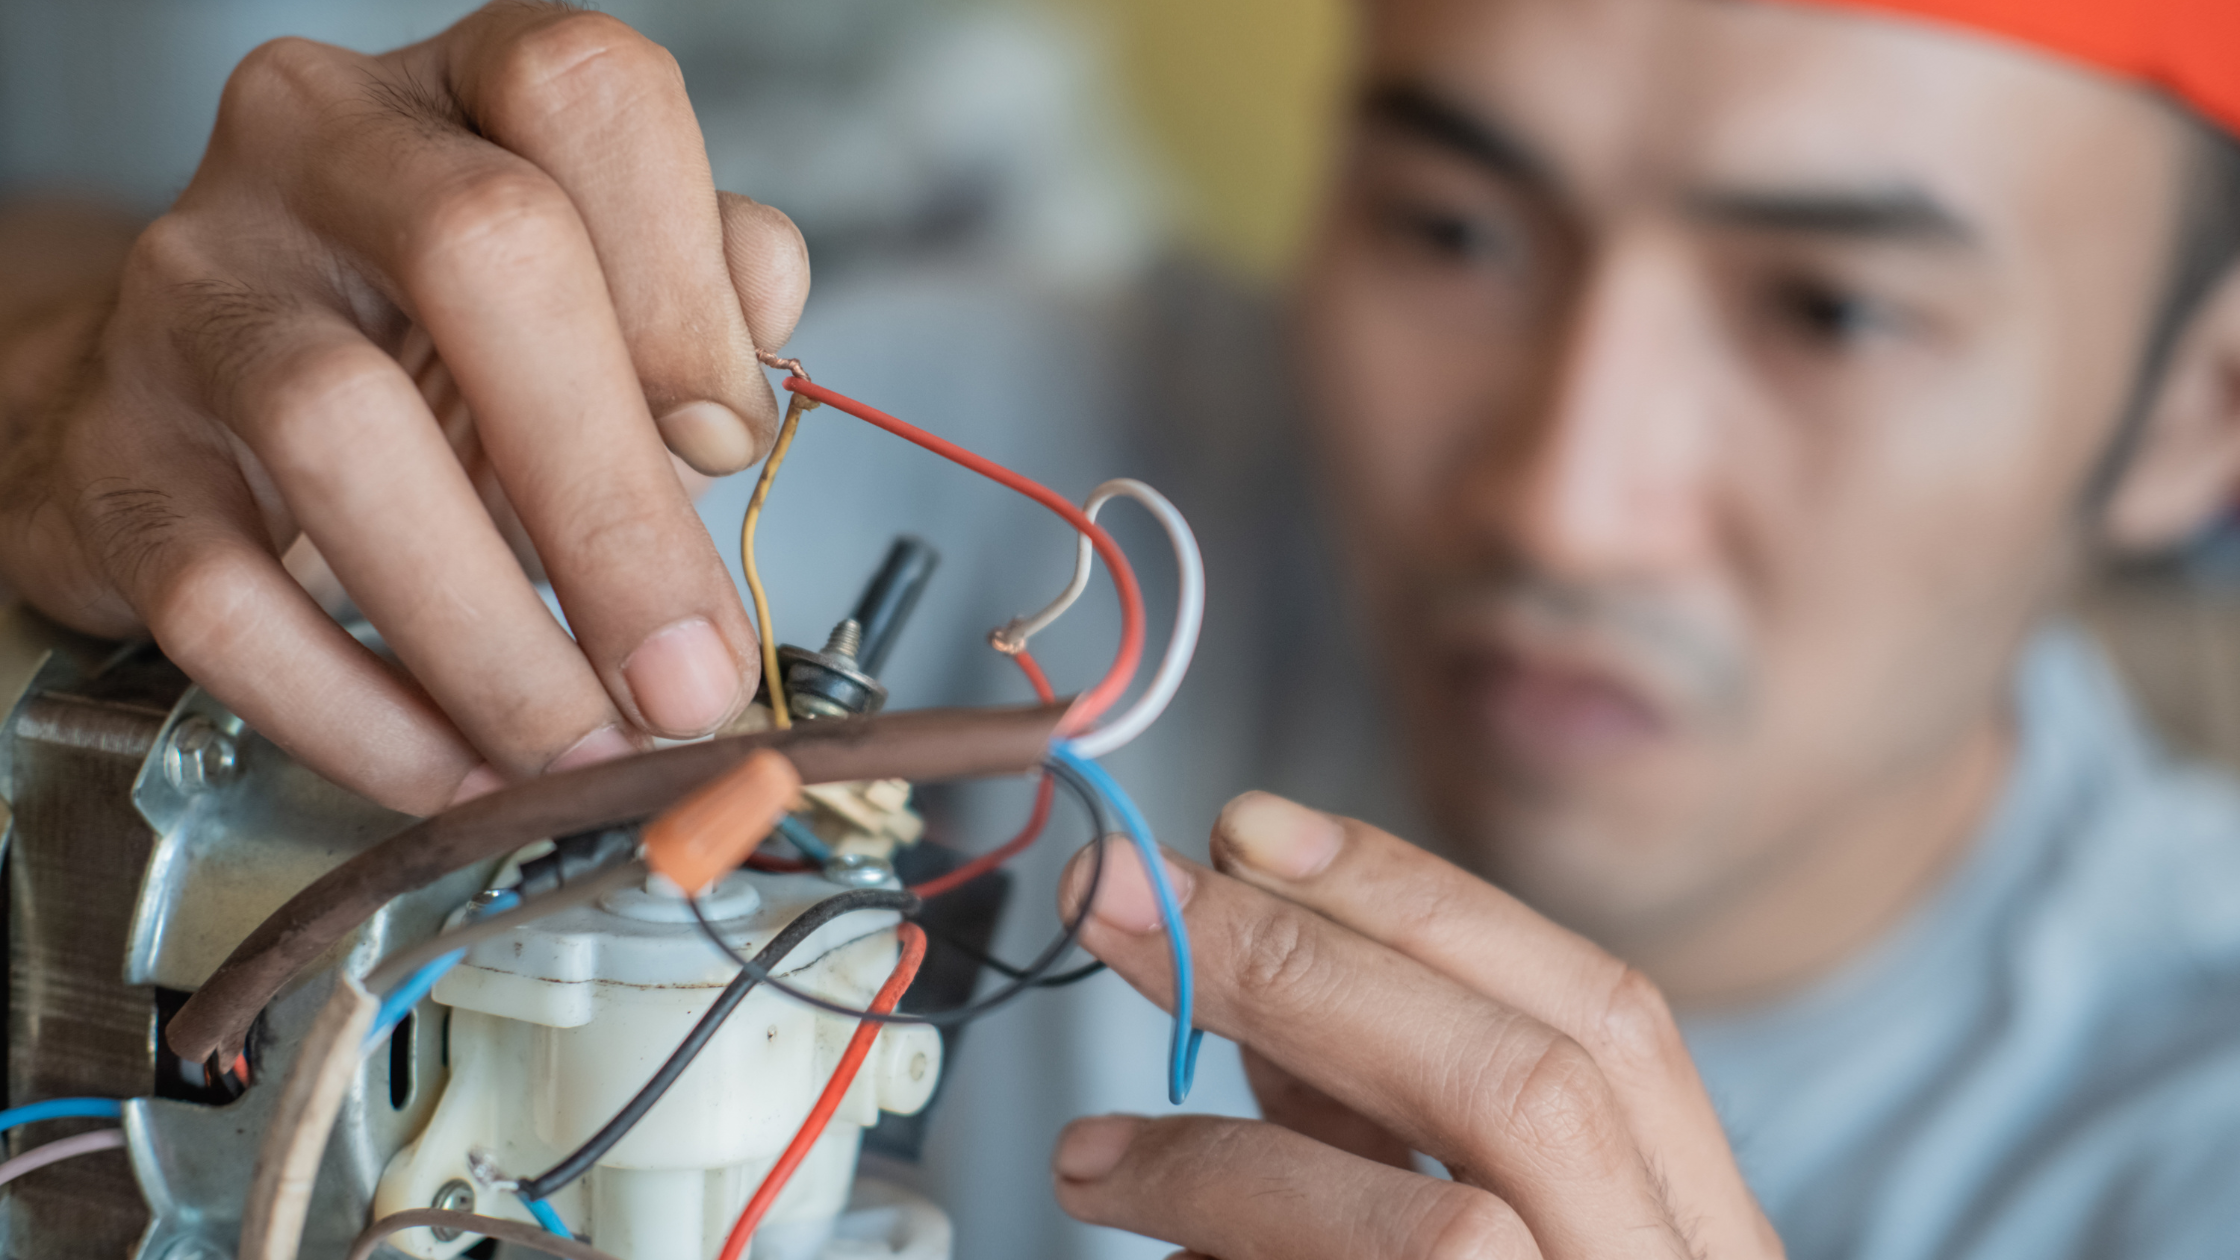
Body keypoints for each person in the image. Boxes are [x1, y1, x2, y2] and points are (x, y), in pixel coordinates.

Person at [7, 2, 2240, 1259]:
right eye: (1456, 225)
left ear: (2193, 411)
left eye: (1828, 308)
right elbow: (222, 370)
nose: (1565, 491)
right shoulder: (1059, 463)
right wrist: (85, 393)